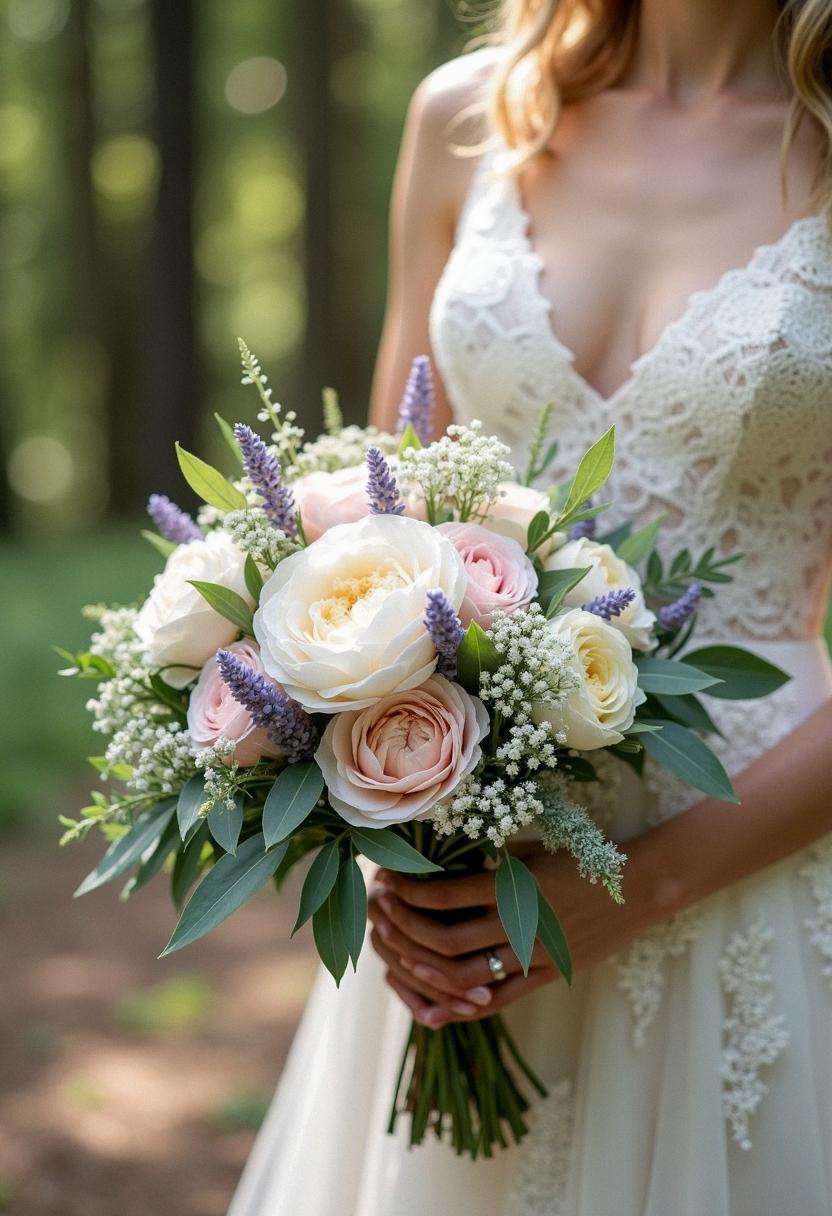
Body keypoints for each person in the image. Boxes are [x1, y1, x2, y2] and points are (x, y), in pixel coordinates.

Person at [229, 2, 832, 1212]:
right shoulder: (468, 116)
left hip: (752, 856)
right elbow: (395, 509)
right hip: (467, 874)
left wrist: (628, 890)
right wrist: (385, 822)